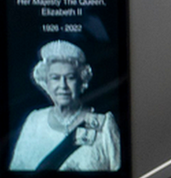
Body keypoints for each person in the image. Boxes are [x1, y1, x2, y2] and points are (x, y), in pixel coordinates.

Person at [9, 40, 121, 171]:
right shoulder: (34, 120)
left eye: (70, 77)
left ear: (82, 82)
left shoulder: (104, 124)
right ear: (46, 83)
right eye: (55, 78)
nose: (63, 85)